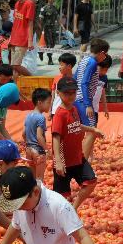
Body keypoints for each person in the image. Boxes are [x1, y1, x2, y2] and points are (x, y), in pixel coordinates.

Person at [51, 77, 104, 209]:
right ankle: (59, 219)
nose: (70, 96)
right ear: (58, 93)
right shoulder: (59, 114)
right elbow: (55, 138)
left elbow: (76, 125)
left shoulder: (73, 109)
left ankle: (73, 209)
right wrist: (58, 161)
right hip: (64, 162)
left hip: (78, 158)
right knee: (61, 197)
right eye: (66, 93)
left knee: (91, 181)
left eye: (73, 93)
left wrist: (93, 129)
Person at [74, 38, 109, 161]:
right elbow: (84, 83)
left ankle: (81, 158)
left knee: (83, 130)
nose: (104, 58)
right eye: (105, 55)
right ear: (102, 53)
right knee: (92, 131)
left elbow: (75, 77)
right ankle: (82, 162)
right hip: (83, 101)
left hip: (77, 99)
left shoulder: (84, 60)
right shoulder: (93, 63)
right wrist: (88, 104)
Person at [8, 0, 35, 78]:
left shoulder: (29, 3)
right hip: (14, 38)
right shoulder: (17, 3)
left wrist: (30, 41)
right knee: (14, 68)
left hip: (22, 38)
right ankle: (17, 88)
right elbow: (16, 22)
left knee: (15, 65)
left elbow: (30, 23)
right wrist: (11, 37)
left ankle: (33, 79)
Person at [50, 52, 76, 117]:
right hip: (56, 111)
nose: (59, 67)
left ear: (69, 66)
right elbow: (53, 96)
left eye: (61, 65)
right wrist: (50, 110)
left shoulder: (75, 79)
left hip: (70, 111)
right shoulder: (56, 78)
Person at [39, 0, 60, 65]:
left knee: (53, 43)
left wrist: (62, 27)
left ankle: (41, 51)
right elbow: (41, 19)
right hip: (47, 28)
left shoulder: (54, 8)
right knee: (49, 43)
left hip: (53, 27)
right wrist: (40, 28)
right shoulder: (44, 8)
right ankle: (50, 59)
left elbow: (57, 17)